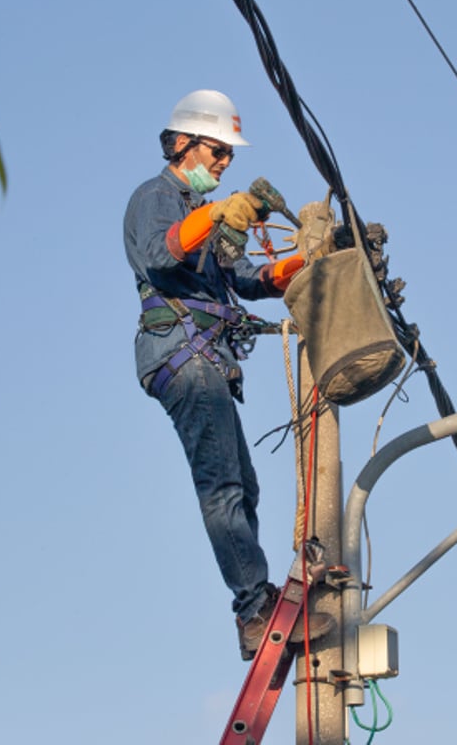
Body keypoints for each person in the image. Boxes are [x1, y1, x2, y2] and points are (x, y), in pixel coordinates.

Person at [123, 89, 331, 659]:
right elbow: (162, 254)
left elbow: (246, 280)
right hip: (180, 354)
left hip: (206, 360)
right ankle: (253, 609)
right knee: (224, 489)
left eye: (228, 155)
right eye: (217, 151)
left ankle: (254, 599)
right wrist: (218, 212)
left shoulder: (204, 218)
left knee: (245, 487)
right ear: (183, 144)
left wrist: (306, 262)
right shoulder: (156, 198)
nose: (224, 163)